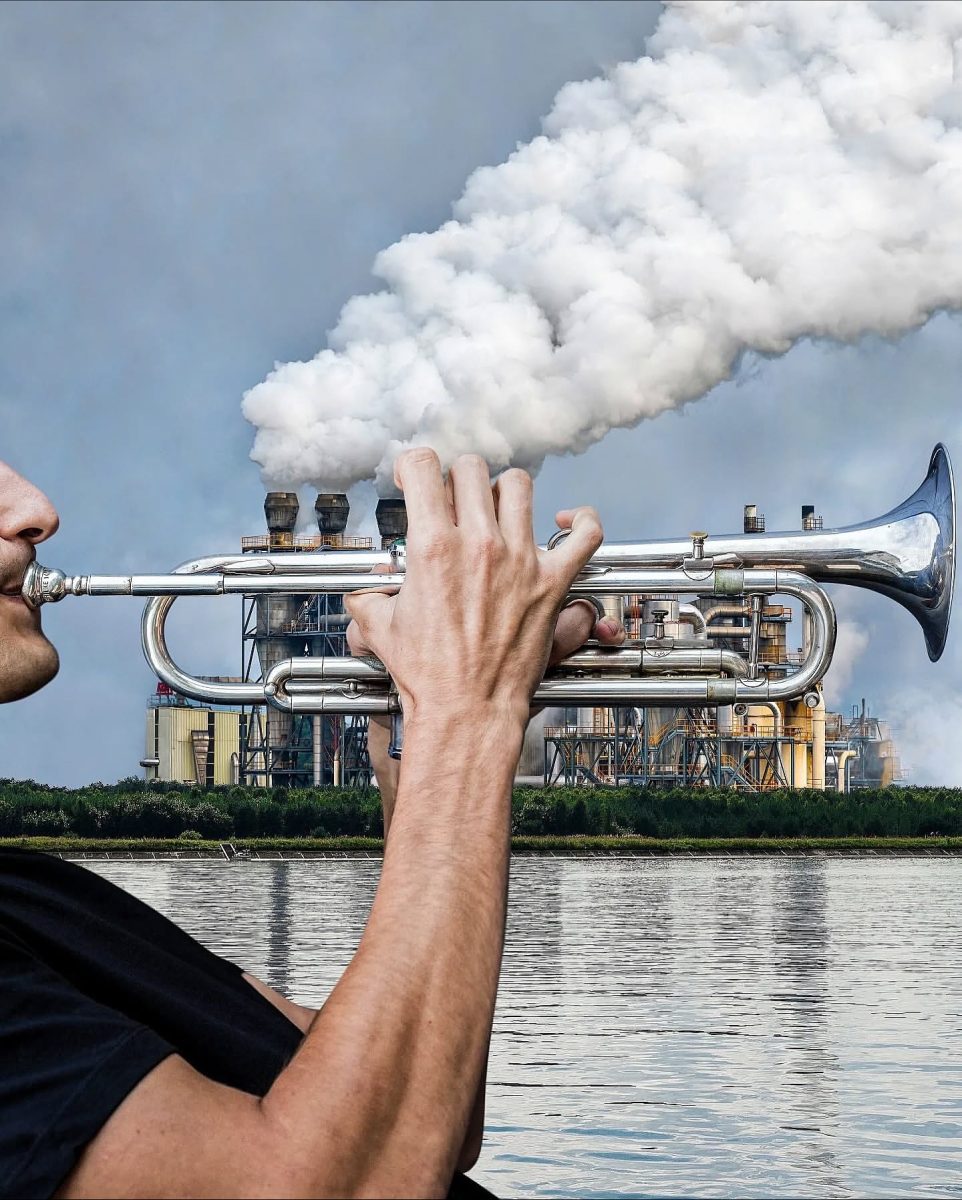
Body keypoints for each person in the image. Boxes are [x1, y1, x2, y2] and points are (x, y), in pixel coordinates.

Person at [0, 449, 622, 1199]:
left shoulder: (35, 893)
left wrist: (420, 740)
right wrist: (469, 712)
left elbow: (425, 1124)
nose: (36, 509)